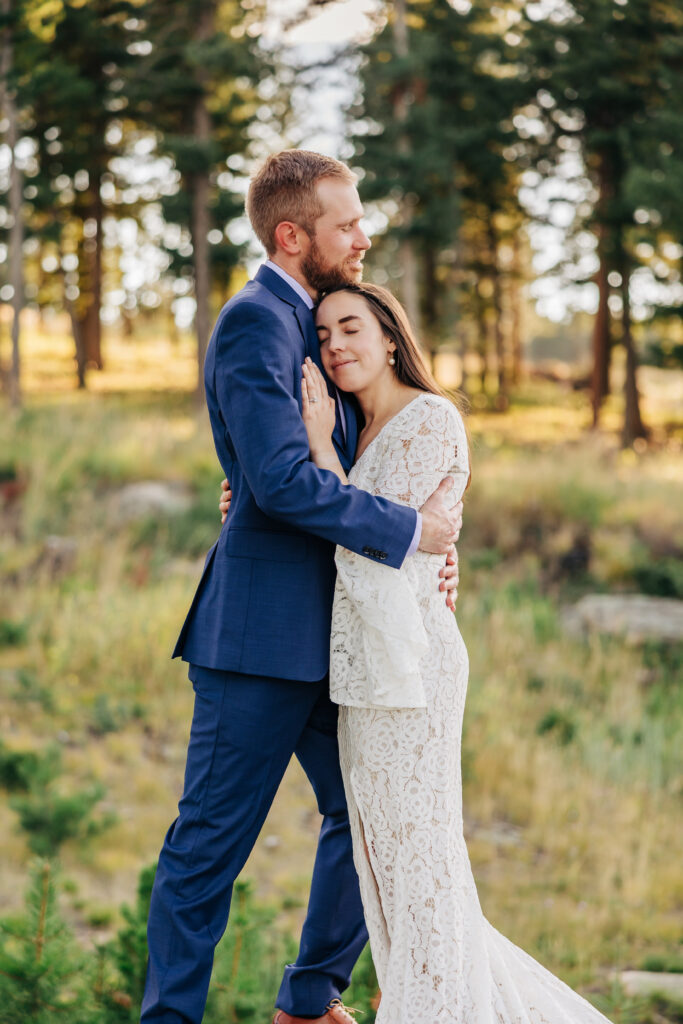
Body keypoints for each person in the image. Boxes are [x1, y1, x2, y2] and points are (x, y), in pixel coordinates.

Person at [141, 150, 464, 1024]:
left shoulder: (323, 321)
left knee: (367, 819)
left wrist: (422, 545)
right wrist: (409, 536)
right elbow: (281, 483)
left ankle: (309, 997)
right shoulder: (255, 323)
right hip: (259, 638)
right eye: (346, 224)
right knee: (208, 847)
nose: (363, 238)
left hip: (343, 633)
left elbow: (335, 465)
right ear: (294, 236)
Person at [296, 281, 614, 1024]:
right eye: (321, 337)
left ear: (389, 336)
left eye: (350, 329)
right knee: (392, 871)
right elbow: (349, 523)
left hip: (410, 672)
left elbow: (367, 552)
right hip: (364, 673)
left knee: (423, 864)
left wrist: (315, 459)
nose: (334, 346)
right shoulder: (351, 428)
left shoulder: (429, 420)